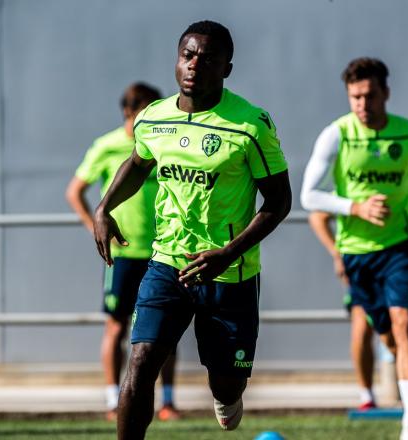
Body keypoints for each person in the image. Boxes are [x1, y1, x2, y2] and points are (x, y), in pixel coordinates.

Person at [92, 20, 291, 440]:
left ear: (227, 69)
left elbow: (278, 202)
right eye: (188, 55)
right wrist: (105, 206)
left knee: (225, 381)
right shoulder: (153, 119)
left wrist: (228, 252)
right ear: (177, 59)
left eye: (208, 58)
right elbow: (137, 162)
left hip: (229, 272)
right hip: (167, 263)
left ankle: (228, 393)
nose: (195, 64)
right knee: (142, 360)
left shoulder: (251, 125)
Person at [301, 58, 408, 440]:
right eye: (355, 97)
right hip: (358, 253)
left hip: (400, 247)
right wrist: (355, 207)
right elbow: (309, 196)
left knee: (405, 323)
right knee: (391, 339)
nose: (363, 104)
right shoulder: (336, 135)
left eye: (370, 95)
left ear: (386, 93)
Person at [308, 167, 408, 417]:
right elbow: (317, 215)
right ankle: (404, 379)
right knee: (382, 334)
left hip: (402, 259)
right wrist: (337, 254)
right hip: (362, 262)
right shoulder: (358, 178)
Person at [66, 83, 180, 422]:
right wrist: (96, 228)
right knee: (116, 328)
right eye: (146, 113)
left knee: (164, 330)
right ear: (129, 114)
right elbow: (75, 191)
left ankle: (168, 401)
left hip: (163, 251)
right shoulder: (108, 146)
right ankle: (112, 400)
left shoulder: (164, 142)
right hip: (123, 257)